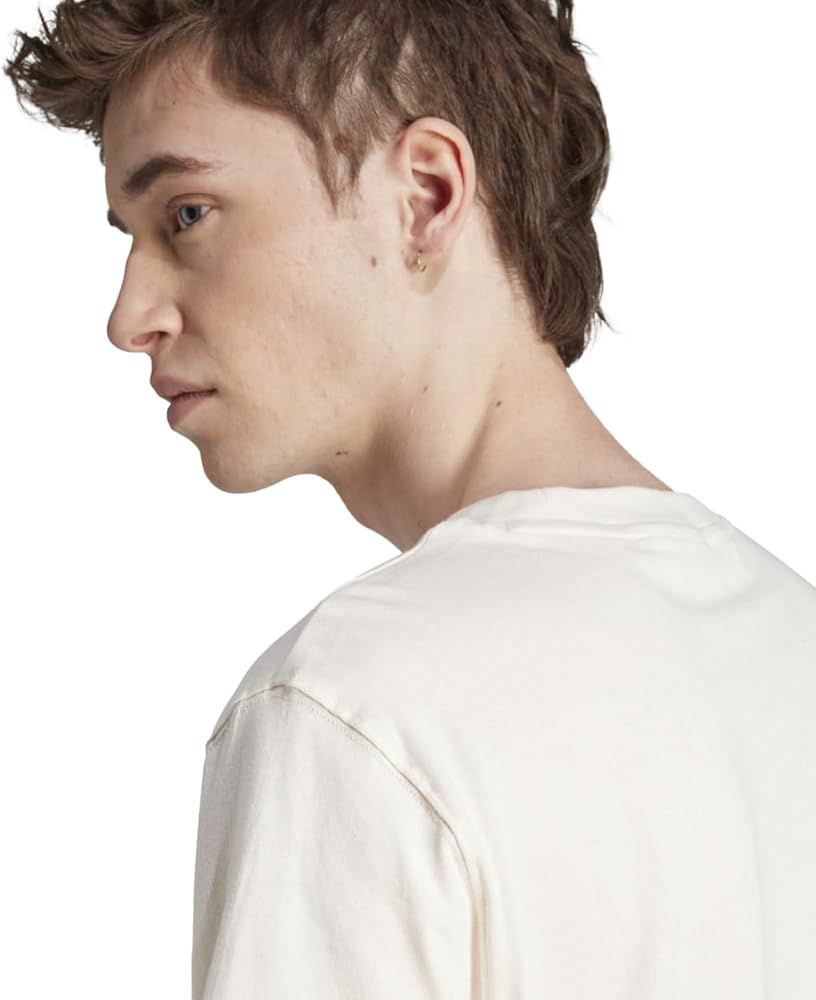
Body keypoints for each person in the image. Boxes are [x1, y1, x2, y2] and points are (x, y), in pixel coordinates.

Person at [5, 2, 814, 998]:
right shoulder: (791, 635)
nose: (129, 316)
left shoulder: (351, 707)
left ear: (426, 195)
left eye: (187, 215)